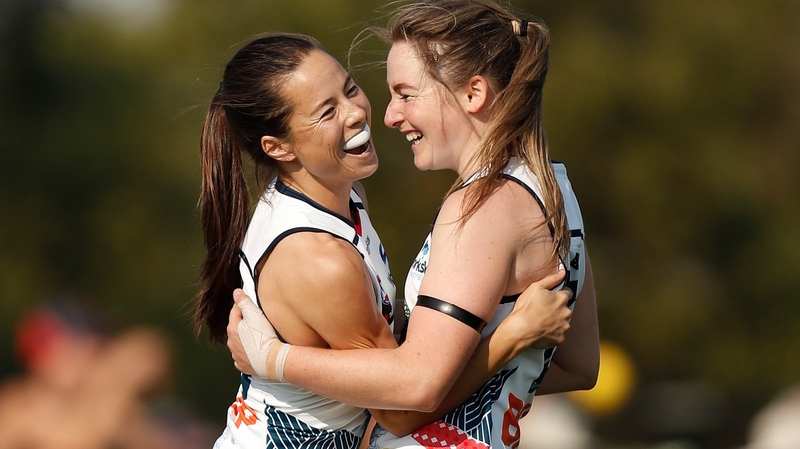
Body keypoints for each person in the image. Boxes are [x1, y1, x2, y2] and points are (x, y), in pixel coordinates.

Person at [227, 1, 600, 448]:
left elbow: (411, 399)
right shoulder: (556, 188)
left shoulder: (479, 207)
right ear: (277, 147)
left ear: (472, 93)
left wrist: (271, 359)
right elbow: (576, 365)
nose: (383, 115)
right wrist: (511, 341)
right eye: (327, 110)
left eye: (406, 94)